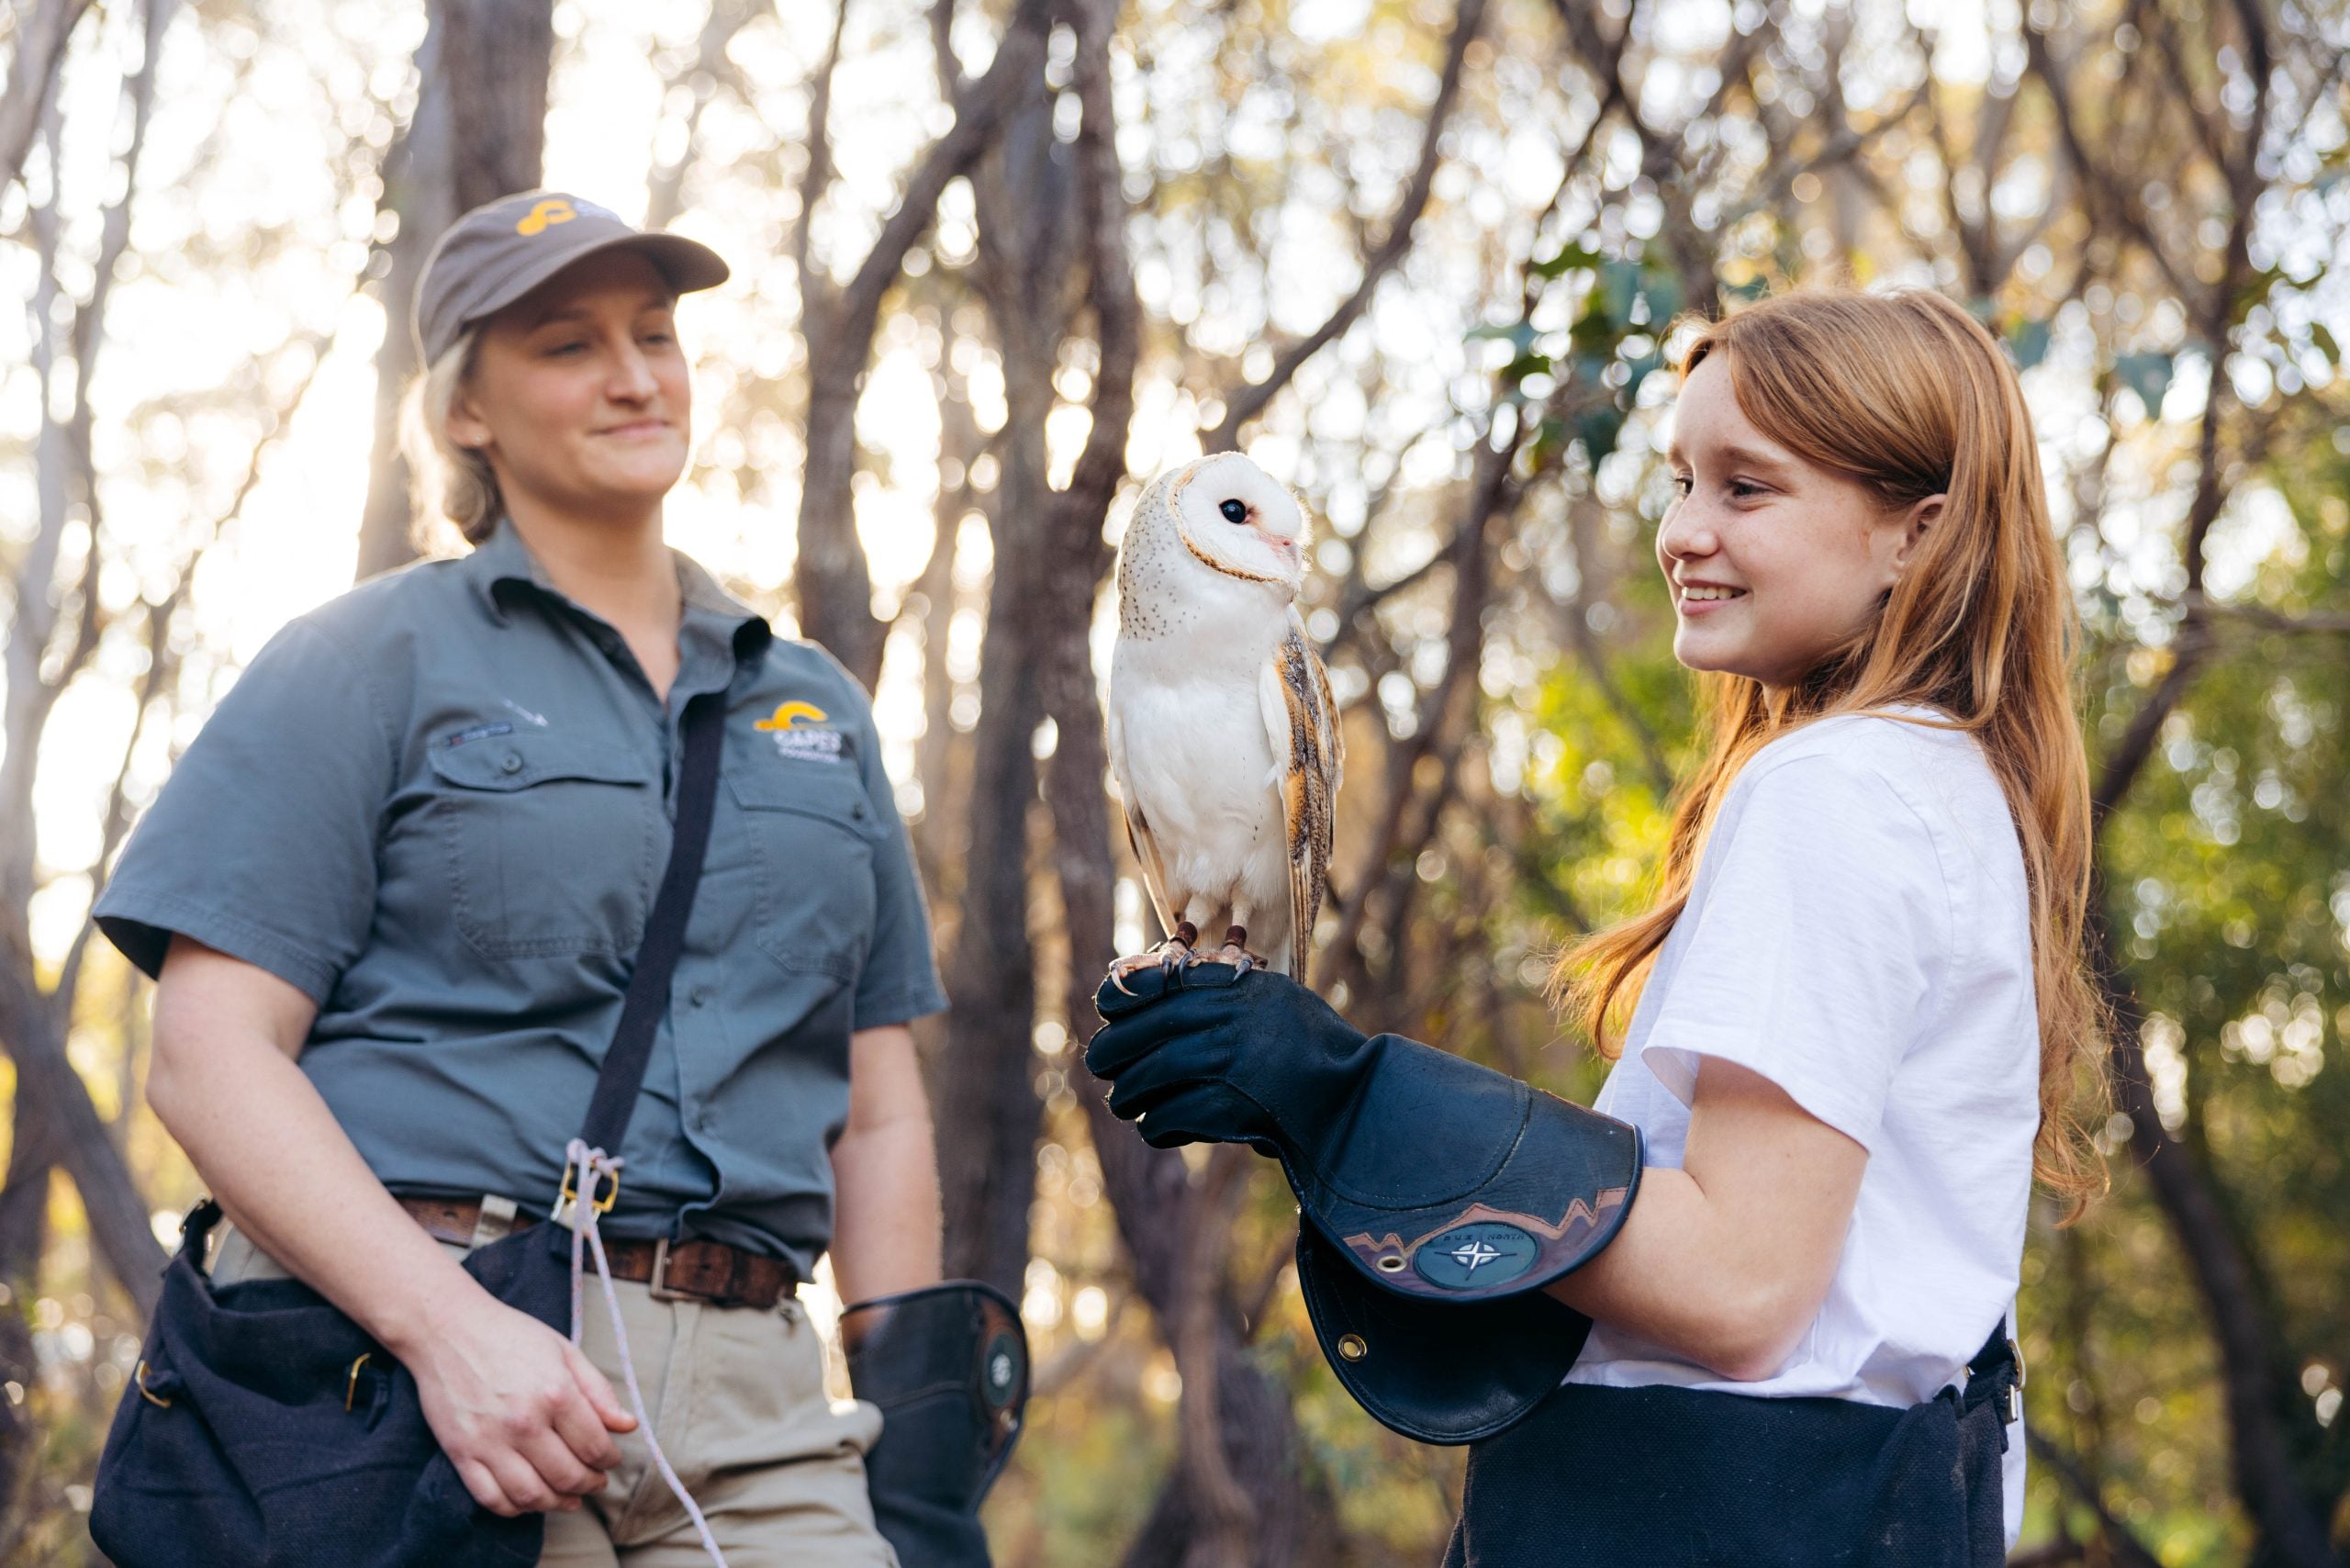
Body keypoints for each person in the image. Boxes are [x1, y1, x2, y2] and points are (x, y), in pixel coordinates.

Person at [1084, 287, 2102, 1564]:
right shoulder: (1940, 785)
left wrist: (1349, 1099)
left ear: (1918, 533)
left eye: (1748, 489)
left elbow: (1740, 1285)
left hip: (1725, 1512)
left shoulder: (1836, 790)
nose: (1682, 531)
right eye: (1681, 480)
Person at [95, 191, 965, 1565]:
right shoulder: (365, 656)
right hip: (414, 1362)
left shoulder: (819, 711)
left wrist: (922, 1431)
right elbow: (208, 1053)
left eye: (657, 334)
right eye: (568, 345)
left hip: (759, 1396)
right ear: (464, 411)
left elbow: (880, 1108)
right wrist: (447, 1333)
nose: (634, 376)